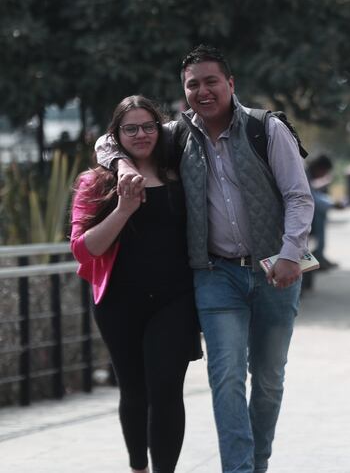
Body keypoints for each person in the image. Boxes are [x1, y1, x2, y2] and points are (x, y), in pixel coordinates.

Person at [99, 46, 313, 473]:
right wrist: (122, 165)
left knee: (268, 382)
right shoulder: (178, 134)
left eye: (211, 81)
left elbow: (298, 196)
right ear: (184, 91)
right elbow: (109, 137)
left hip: (275, 271)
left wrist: (291, 253)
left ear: (230, 84)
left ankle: (257, 462)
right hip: (216, 275)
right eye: (192, 84)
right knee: (227, 378)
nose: (203, 91)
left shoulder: (264, 128)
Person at [71, 95, 201, 473]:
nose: (141, 134)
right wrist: (124, 209)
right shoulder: (94, 182)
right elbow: (84, 250)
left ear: (160, 129)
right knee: (134, 389)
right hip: (118, 302)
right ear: (117, 135)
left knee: (165, 391)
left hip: (175, 300)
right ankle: (137, 467)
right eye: (131, 128)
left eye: (149, 126)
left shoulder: (182, 173)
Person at [306, 155, 344, 271]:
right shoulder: (305, 175)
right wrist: (332, 204)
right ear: (320, 168)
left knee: (321, 214)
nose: (324, 175)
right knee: (320, 215)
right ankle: (319, 256)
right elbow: (311, 198)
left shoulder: (308, 175)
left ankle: (319, 255)